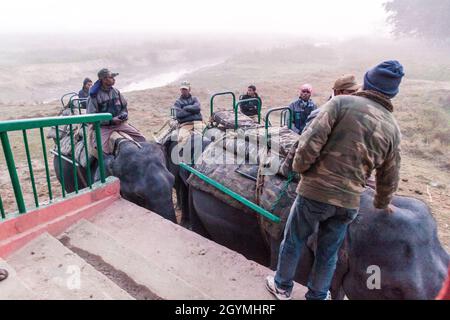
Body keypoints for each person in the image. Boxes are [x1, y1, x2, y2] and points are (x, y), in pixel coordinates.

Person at [266, 60, 405, 300]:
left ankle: (282, 286)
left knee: (294, 239)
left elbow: (311, 140)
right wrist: (382, 202)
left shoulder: (340, 103)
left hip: (314, 193)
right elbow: (390, 174)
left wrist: (299, 168)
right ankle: (318, 295)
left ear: (368, 81)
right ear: (393, 92)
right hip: (349, 202)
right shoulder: (393, 127)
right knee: (329, 252)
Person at [86, 68, 146, 156]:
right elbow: (91, 118)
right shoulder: (94, 96)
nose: (114, 79)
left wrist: (123, 115)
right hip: (103, 127)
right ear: (104, 79)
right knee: (101, 151)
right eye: (111, 77)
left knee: (142, 139)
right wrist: (111, 120)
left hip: (119, 124)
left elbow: (124, 107)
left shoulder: (116, 92)